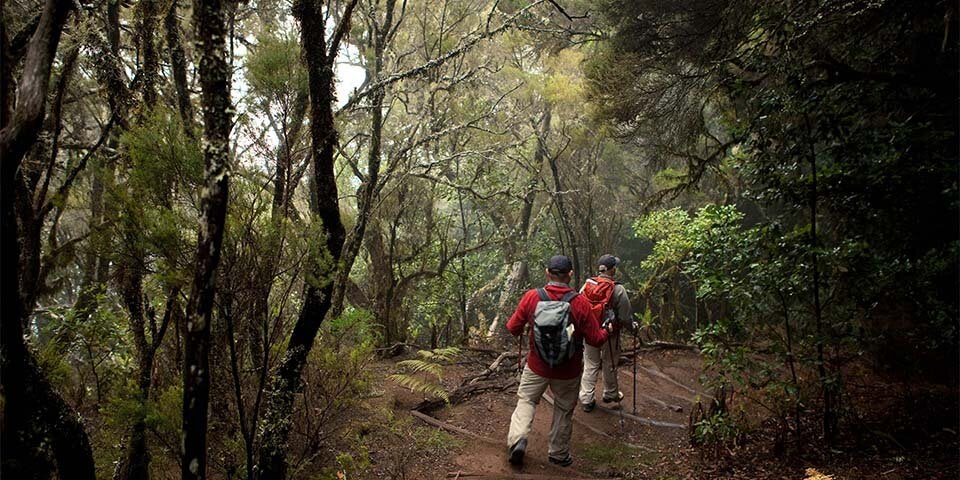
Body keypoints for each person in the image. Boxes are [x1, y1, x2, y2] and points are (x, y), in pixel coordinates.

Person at [505, 255, 611, 468]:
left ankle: (518, 440)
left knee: (527, 400)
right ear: (570, 275)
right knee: (563, 408)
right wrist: (607, 329)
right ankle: (558, 454)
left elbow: (512, 328)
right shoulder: (579, 303)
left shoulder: (532, 297)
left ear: (547, 273)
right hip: (568, 370)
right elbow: (595, 339)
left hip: (536, 366)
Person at [578, 254, 633, 412]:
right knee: (610, 363)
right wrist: (631, 328)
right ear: (612, 269)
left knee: (591, 364)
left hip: (590, 332)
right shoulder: (618, 289)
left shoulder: (587, 285)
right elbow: (625, 316)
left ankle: (587, 398)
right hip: (610, 334)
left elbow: (579, 306)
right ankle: (610, 393)